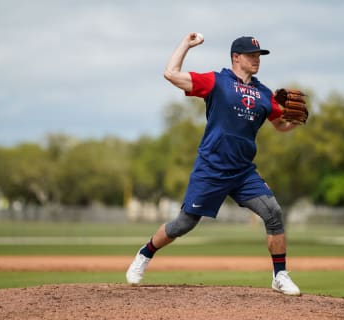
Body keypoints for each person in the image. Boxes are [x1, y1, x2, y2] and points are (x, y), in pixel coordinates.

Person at [126, 33, 302, 295]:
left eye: (259, 56)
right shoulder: (216, 81)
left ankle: (280, 275)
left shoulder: (264, 94)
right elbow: (171, 74)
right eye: (252, 55)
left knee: (273, 212)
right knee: (183, 224)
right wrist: (186, 44)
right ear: (236, 57)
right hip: (211, 169)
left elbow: (280, 125)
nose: (257, 60)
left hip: (243, 172)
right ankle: (145, 253)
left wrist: (294, 121)